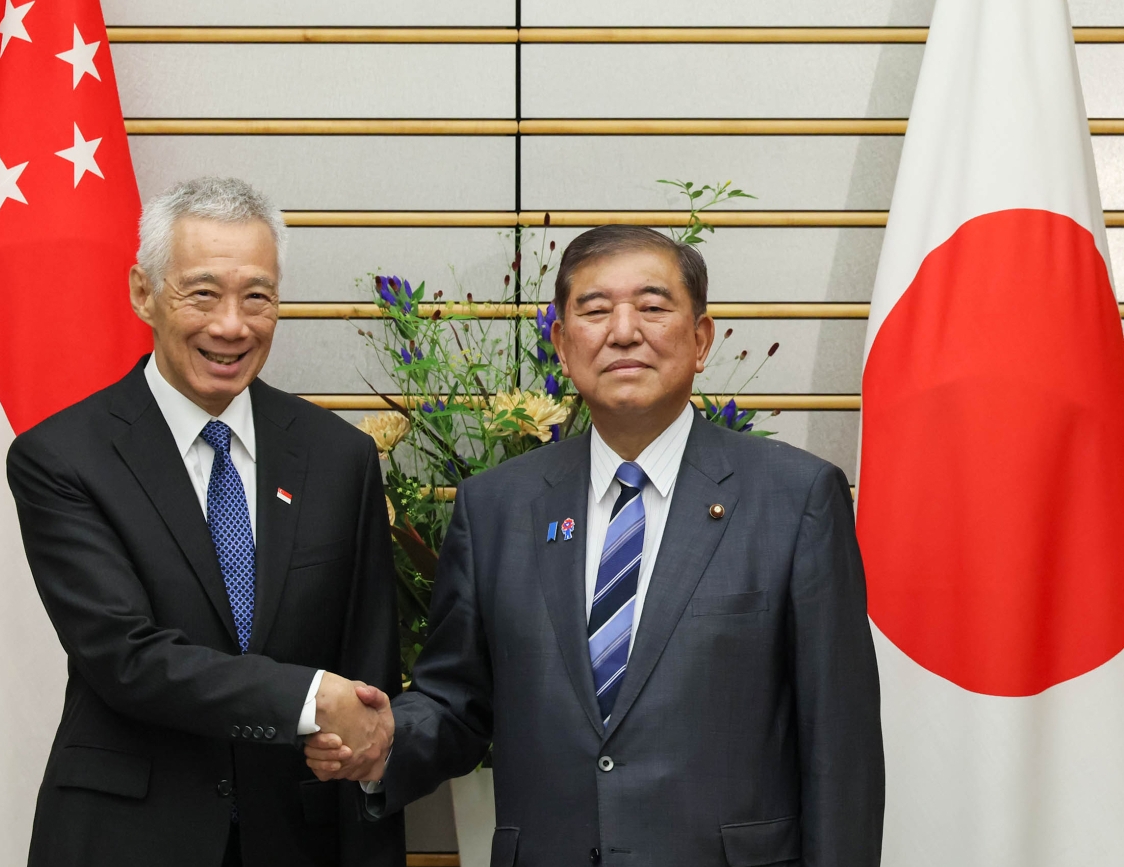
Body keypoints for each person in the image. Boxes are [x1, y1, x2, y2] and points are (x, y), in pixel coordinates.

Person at [307, 225, 885, 866]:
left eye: (654, 306)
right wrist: (386, 738)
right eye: (594, 310)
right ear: (560, 341)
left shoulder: (795, 498)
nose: (624, 330)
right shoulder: (497, 507)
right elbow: (456, 701)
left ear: (700, 340)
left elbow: (841, 745)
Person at [7, 177, 403, 867]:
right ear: (143, 293)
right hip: (125, 839)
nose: (231, 324)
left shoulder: (340, 458)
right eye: (202, 293)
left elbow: (368, 686)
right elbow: (126, 656)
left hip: (297, 838)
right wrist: (308, 696)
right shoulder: (63, 457)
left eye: (257, 296)